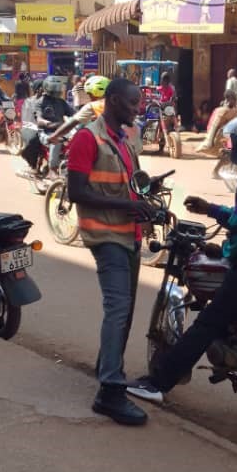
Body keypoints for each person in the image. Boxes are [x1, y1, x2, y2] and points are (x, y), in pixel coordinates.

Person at [128, 114, 237, 403]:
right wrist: (210, 208)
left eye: (233, 141)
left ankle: (158, 384)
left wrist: (222, 251)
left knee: (208, 323)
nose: (229, 146)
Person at [66, 78, 156, 426]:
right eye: (133, 104)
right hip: (106, 236)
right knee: (118, 310)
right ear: (115, 101)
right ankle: (110, 392)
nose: (138, 109)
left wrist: (144, 195)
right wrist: (127, 204)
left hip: (129, 235)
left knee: (125, 311)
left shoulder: (124, 137)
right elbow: (77, 191)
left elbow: (129, 181)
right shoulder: (87, 138)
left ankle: (108, 368)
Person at [47, 75, 110, 141]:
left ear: (94, 92)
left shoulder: (93, 105)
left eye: (89, 94)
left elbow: (72, 122)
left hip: (106, 141)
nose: (89, 97)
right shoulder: (117, 101)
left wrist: (54, 136)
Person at [35, 76, 74, 177]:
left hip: (61, 130)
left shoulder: (61, 102)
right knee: (56, 141)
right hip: (46, 132)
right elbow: (39, 119)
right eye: (54, 88)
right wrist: (48, 123)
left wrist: (86, 116)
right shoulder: (40, 102)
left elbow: (73, 113)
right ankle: (52, 169)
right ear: (48, 88)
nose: (57, 91)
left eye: (58, 88)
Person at [195, 90, 237, 156]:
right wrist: (210, 141)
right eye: (234, 99)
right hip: (218, 135)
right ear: (228, 99)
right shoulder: (223, 110)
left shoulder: (235, 110)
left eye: (235, 99)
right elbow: (215, 126)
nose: (235, 101)